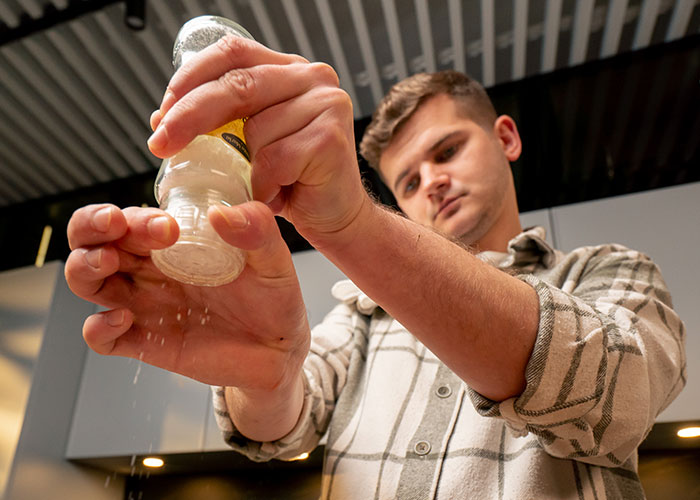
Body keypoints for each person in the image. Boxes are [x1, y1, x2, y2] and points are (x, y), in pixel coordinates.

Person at [65, 35, 686, 499]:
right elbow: (286, 424)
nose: (433, 182)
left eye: (448, 150)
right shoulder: (361, 316)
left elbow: (618, 395)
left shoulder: (608, 272)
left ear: (506, 138)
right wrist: (266, 375)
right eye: (408, 181)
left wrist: (353, 226)